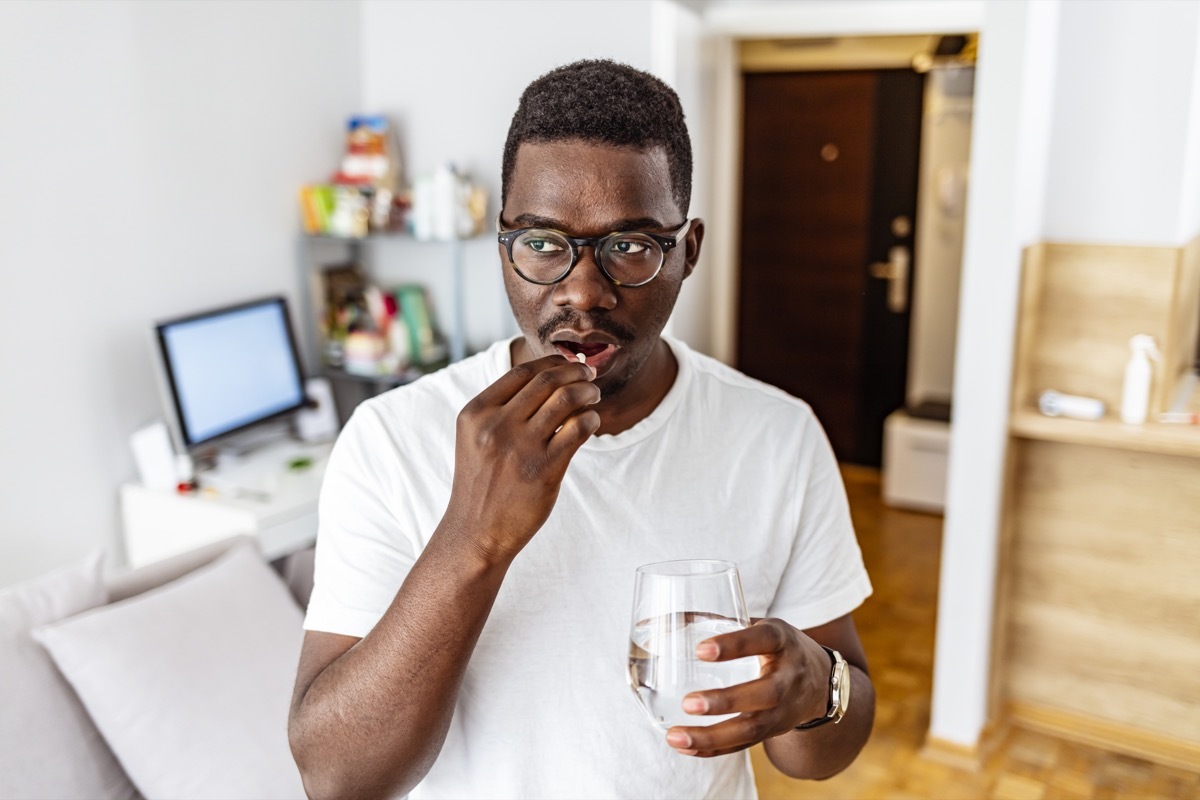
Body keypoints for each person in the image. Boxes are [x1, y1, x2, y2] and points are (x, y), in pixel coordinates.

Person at [288, 59, 875, 800]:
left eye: (630, 245)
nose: (582, 291)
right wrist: (474, 537)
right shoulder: (390, 440)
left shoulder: (777, 437)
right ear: (502, 244)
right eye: (540, 243)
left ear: (688, 251)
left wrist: (817, 689)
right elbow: (337, 778)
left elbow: (819, 755)